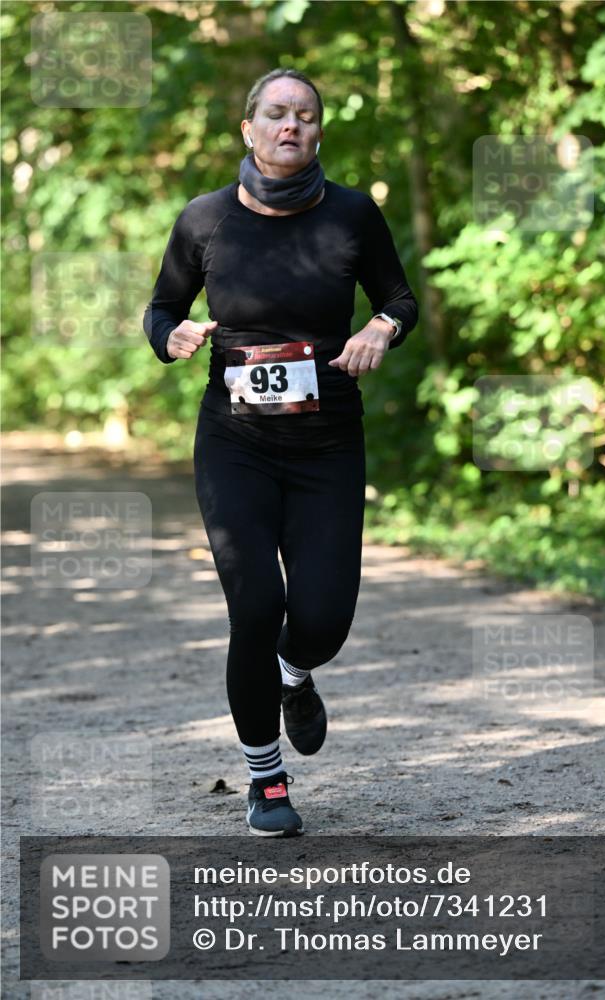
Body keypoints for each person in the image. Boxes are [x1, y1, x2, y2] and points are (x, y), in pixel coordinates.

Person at [143, 68, 418, 837]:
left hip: (328, 441)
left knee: (322, 621)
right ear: (248, 129)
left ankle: (295, 676)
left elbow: (400, 299)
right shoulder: (203, 221)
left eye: (303, 115)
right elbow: (163, 304)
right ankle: (266, 781)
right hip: (235, 443)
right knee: (255, 607)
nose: (289, 125)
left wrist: (379, 330)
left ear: (317, 132)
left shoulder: (353, 216)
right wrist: (171, 335)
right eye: (274, 113)